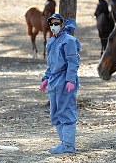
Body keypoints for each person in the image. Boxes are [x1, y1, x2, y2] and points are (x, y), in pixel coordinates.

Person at [39, 13, 81, 154]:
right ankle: (64, 142)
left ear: (62, 25)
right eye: (51, 24)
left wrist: (70, 79)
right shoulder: (51, 42)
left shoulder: (69, 41)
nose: (53, 26)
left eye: (56, 23)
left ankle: (68, 145)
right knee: (56, 113)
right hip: (54, 81)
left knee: (66, 112)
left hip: (64, 80)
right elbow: (51, 64)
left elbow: (73, 62)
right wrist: (45, 78)